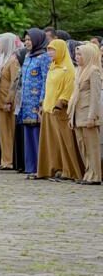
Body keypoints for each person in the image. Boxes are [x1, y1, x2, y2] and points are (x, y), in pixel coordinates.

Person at [37, 39, 83, 181]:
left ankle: (68, 170)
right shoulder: (53, 66)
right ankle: (53, 168)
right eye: (49, 49)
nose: (50, 52)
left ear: (61, 50)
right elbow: (49, 87)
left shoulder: (68, 69)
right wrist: (43, 103)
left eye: (53, 50)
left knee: (64, 142)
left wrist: (60, 102)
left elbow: (68, 89)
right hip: (48, 109)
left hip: (59, 110)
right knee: (52, 143)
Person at [70, 43, 102, 185]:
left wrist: (92, 116)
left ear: (88, 55)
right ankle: (87, 173)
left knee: (92, 147)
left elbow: (95, 96)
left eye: (80, 54)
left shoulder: (94, 71)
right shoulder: (79, 70)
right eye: (76, 54)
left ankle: (95, 175)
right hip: (77, 113)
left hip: (88, 113)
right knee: (82, 145)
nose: (77, 57)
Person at [20, 29, 50, 179]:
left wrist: (42, 101)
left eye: (29, 40)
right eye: (25, 40)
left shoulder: (44, 57)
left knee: (37, 135)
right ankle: (30, 167)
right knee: (28, 135)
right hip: (26, 103)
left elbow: (46, 80)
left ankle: (41, 168)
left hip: (36, 103)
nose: (27, 42)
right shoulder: (27, 57)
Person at [0, 33, 20, 170]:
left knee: (9, 131)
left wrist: (9, 100)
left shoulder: (13, 60)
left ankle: (9, 160)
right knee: (3, 132)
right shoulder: (2, 59)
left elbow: (14, 82)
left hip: (7, 102)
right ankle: (5, 159)